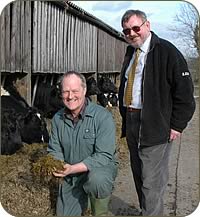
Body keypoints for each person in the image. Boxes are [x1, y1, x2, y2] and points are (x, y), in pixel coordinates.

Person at [118, 10, 195, 216]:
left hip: (155, 124)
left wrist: (177, 125)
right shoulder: (131, 53)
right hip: (132, 121)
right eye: (126, 31)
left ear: (147, 25)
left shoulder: (167, 52)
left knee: (151, 183)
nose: (132, 33)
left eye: (136, 28)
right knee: (139, 176)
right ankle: (148, 212)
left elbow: (185, 94)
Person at [47, 71, 118, 216]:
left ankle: (99, 211)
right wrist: (60, 165)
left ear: (84, 90)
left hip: (98, 169)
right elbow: (54, 149)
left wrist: (73, 168)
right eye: (66, 91)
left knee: (97, 180)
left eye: (75, 91)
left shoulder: (102, 116)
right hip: (71, 173)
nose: (70, 96)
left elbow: (103, 155)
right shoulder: (57, 119)